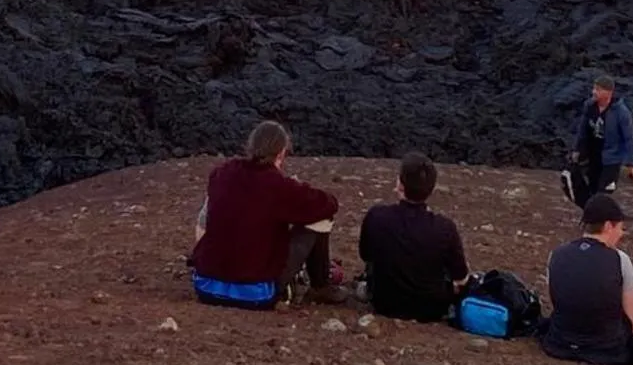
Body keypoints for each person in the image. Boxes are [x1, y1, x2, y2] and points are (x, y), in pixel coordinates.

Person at [189, 120, 344, 309]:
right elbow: (329, 204)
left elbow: (205, 220)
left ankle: (218, 268)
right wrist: (297, 187)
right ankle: (320, 285)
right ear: (281, 152)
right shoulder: (279, 187)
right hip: (256, 293)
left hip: (206, 286)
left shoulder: (222, 173)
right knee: (321, 217)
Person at [357, 153, 470, 322]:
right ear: (431, 189)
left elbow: (366, 255)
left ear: (400, 185)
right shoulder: (445, 228)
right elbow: (460, 277)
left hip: (384, 304)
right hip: (432, 309)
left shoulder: (376, 216)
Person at [540, 191, 633, 365]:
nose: (621, 233)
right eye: (620, 228)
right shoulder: (620, 259)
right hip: (605, 349)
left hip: (560, 343)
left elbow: (558, 303)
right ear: (608, 226)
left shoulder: (556, 255)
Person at [562, 72, 633, 204]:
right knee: (590, 191)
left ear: (608, 92)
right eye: (594, 88)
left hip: (611, 160)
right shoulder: (589, 106)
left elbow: (629, 138)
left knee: (603, 195)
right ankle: (590, 214)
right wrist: (577, 150)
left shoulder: (621, 112)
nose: (594, 92)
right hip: (593, 157)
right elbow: (582, 130)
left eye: (598, 90)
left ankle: (603, 215)